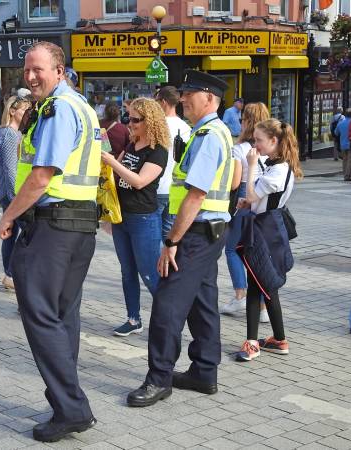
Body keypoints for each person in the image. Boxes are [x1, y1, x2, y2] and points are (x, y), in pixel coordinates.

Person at [0, 41, 100, 443]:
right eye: (26, 70)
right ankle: (64, 402)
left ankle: (72, 408)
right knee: (62, 315)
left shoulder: (58, 109)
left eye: (38, 69)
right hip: (78, 224)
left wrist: (8, 216)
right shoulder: (83, 108)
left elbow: (41, 176)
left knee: (39, 314)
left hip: (54, 227)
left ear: (60, 70)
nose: (31, 76)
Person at [126, 70, 233, 407]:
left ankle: (158, 379)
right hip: (210, 231)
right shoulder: (214, 131)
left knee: (168, 305)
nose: (184, 99)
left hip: (195, 233)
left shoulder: (209, 136)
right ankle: (204, 371)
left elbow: (195, 195)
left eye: (190, 94)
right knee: (203, 302)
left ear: (209, 98)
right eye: (184, 93)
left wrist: (171, 242)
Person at [235, 119, 303, 361]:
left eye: (259, 140)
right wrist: (249, 202)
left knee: (259, 283)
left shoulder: (278, 169)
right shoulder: (277, 164)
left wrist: (250, 164)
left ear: (274, 141)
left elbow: (252, 194)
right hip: (268, 226)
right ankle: (279, 339)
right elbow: (257, 198)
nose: (256, 144)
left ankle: (252, 343)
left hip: (266, 230)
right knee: (265, 283)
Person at [101, 98, 169, 336]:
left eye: (136, 120)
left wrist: (112, 162)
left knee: (149, 274)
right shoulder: (133, 144)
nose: (130, 123)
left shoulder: (158, 151)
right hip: (122, 217)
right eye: (128, 117)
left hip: (143, 219)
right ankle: (133, 319)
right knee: (127, 271)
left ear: (150, 122)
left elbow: (139, 181)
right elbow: (113, 175)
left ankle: (168, 320)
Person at [220, 102, 270, 320]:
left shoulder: (240, 149)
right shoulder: (270, 149)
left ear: (247, 122)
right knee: (257, 253)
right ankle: (263, 307)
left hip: (243, 199)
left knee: (232, 249)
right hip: (265, 204)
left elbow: (233, 184)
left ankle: (240, 295)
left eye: (243, 119)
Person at [0, 94, 31, 290]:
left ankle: (9, 275)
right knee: (20, 232)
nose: (26, 114)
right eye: (23, 110)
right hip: (11, 193)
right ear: (12, 111)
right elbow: (10, 169)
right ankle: (10, 274)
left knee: (11, 233)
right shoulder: (9, 134)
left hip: (9, 192)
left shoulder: (14, 133)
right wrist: (17, 198)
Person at [154, 86, 191, 240]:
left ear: (163, 102)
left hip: (157, 186)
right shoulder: (186, 128)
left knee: (154, 236)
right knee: (169, 234)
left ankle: (156, 264)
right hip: (176, 189)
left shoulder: (157, 126)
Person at [336, 109, 351, 182]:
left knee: (344, 160)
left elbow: (336, 132)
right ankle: (347, 175)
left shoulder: (340, 123)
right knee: (350, 160)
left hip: (342, 144)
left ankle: (345, 175)